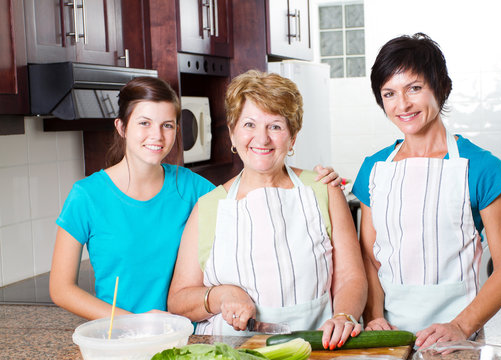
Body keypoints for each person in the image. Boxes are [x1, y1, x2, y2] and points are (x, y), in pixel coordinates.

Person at [49, 76, 343, 320]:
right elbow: (61, 289)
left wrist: (319, 181)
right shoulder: (86, 196)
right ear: (122, 127)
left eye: (168, 125)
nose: (157, 135)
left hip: (185, 337)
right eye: (144, 123)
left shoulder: (194, 189)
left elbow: (252, 200)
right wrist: (134, 324)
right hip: (120, 336)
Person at [167, 70, 367, 350]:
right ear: (233, 134)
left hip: (319, 350)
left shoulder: (324, 190)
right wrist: (220, 296)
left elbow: (351, 276)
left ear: (293, 137)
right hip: (232, 352)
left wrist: (343, 315)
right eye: (249, 124)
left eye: (275, 126)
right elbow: (178, 300)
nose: (261, 139)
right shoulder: (209, 207)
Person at [352, 33, 501, 349]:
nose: (401, 104)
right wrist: (373, 316)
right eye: (389, 93)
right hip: (388, 335)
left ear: (440, 87)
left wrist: (460, 325)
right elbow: (369, 256)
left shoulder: (482, 167)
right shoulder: (373, 169)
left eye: (414, 88)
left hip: (458, 338)